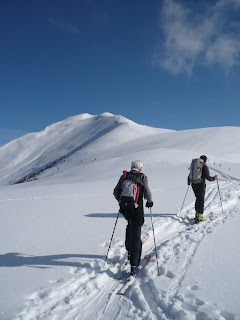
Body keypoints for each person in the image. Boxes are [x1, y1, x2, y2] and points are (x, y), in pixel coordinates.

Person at [113, 160, 153, 276]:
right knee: (136, 232)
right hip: (137, 208)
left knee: (130, 226)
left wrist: (123, 202)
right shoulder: (142, 177)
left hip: (125, 208)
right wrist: (149, 201)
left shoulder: (124, 176)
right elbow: (147, 191)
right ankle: (134, 265)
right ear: (140, 168)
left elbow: (116, 192)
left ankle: (129, 251)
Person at [188, 155, 218, 222]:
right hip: (200, 184)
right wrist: (214, 178)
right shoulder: (204, 166)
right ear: (205, 161)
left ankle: (196, 214)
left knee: (197, 199)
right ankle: (200, 216)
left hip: (193, 184)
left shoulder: (195, 166)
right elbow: (208, 177)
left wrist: (189, 182)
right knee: (201, 200)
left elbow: (190, 175)